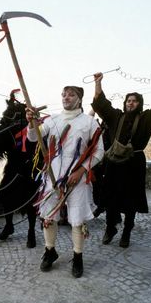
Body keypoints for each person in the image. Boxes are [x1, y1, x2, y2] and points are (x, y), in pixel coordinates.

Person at [26, 86, 104, 278]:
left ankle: (78, 257)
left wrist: (80, 170)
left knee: (77, 219)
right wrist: (31, 123)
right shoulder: (52, 119)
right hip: (52, 175)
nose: (66, 97)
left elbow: (99, 152)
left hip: (77, 178)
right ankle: (50, 251)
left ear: (79, 99)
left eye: (71, 94)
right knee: (48, 215)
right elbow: (32, 137)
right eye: (63, 94)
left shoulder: (90, 123)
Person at [91, 71, 151, 248]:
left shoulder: (146, 119)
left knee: (131, 200)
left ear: (139, 104)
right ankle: (110, 228)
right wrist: (98, 83)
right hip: (114, 163)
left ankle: (127, 231)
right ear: (125, 103)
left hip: (134, 163)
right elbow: (101, 104)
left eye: (134, 101)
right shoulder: (116, 117)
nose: (131, 103)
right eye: (128, 100)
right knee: (110, 197)